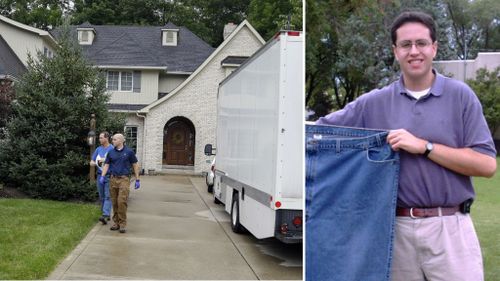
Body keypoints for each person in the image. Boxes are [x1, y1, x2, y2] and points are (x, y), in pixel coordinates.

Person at [316, 11, 497, 281]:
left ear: (434, 48)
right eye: (405, 45)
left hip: (450, 228)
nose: (414, 51)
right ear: (395, 51)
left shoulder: (461, 97)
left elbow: (487, 164)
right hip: (396, 230)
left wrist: (424, 146)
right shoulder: (374, 103)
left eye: (421, 43)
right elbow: (321, 132)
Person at [100, 133, 141, 234]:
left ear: (121, 141)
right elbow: (106, 165)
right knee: (114, 202)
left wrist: (137, 179)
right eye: (112, 139)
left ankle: (122, 224)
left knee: (121, 202)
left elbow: (135, 165)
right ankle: (116, 223)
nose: (112, 141)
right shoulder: (111, 152)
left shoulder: (129, 152)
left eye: (114, 139)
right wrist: (102, 176)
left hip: (124, 179)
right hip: (113, 179)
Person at [90, 131, 114, 224]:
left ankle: (105, 215)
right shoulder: (98, 149)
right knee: (102, 196)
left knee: (108, 196)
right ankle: (105, 214)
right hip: (100, 176)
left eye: (101, 138)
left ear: (106, 138)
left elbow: (114, 162)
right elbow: (91, 161)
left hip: (109, 176)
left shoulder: (112, 149)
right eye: (99, 138)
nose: (99, 139)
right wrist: (95, 162)